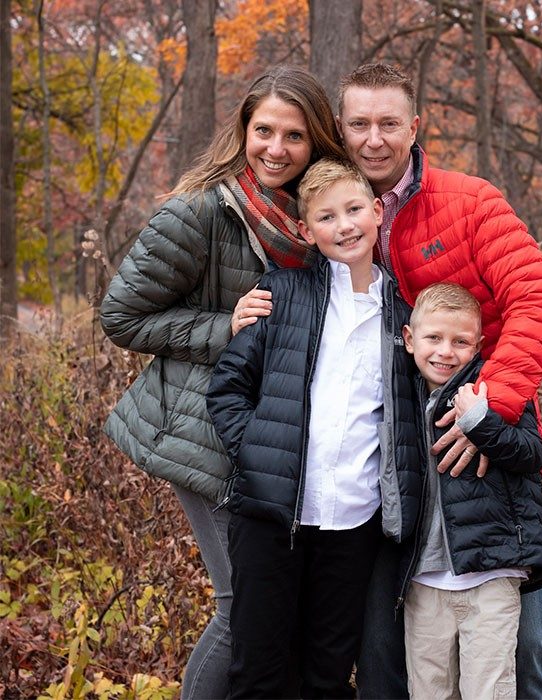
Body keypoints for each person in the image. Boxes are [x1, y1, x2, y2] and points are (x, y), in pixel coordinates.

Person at [232, 63, 542, 699]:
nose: (374, 138)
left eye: (390, 123)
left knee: (515, 641)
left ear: (415, 127)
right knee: (382, 644)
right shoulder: (325, 209)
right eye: (359, 123)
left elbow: (539, 303)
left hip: (484, 449)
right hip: (385, 469)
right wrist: (225, 320)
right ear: (341, 129)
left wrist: (486, 410)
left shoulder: (469, 203)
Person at [99, 66, 346, 699]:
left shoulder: (317, 219)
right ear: (243, 130)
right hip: (200, 430)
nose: (275, 149)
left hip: (271, 439)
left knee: (277, 616)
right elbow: (121, 317)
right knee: (245, 612)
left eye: (294, 136)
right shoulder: (200, 211)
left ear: (315, 142)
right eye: (264, 130)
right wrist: (223, 326)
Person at [205, 158, 421, 698]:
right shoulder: (281, 294)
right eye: (326, 217)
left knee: (326, 674)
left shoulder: (404, 315)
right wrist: (256, 455)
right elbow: (227, 387)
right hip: (271, 516)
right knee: (257, 670)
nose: (344, 225)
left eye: (353, 210)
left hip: (353, 524)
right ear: (307, 230)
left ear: (376, 213)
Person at [399, 282, 542, 700]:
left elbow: (531, 453)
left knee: (488, 689)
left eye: (460, 342)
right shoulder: (402, 395)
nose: (445, 352)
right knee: (429, 691)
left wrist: (481, 423)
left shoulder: (493, 390)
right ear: (410, 338)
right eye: (433, 338)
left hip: (490, 575)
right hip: (425, 578)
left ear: (479, 345)